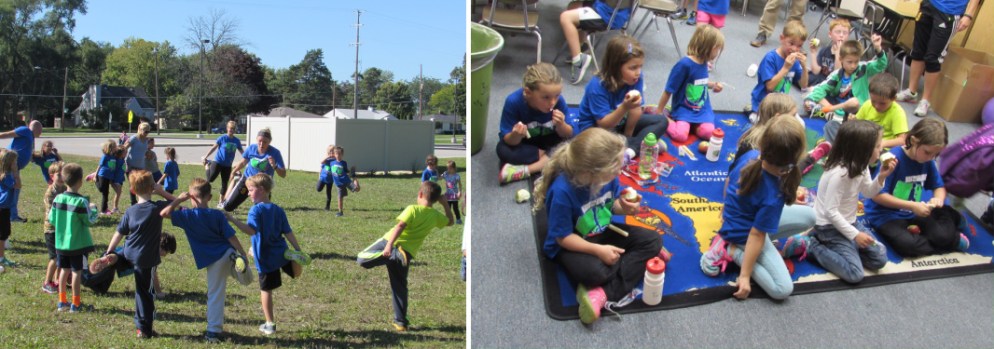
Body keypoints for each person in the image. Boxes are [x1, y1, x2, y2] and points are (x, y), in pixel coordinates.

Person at [532, 128, 662, 325]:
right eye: (614, 169)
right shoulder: (562, 192)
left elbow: (611, 208)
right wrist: (598, 250)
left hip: (599, 229)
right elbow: (562, 238)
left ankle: (602, 292)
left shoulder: (607, 179)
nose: (619, 172)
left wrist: (625, 208)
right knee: (598, 273)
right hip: (572, 242)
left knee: (654, 240)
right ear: (591, 173)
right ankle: (616, 276)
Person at [701, 114, 806, 300]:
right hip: (743, 234)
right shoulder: (774, 194)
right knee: (782, 289)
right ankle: (729, 250)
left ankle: (740, 242)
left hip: (742, 221)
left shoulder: (750, 156)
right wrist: (745, 276)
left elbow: (728, 182)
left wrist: (727, 210)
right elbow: (756, 235)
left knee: (810, 217)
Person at [783, 120, 892, 283]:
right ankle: (811, 245)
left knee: (880, 258)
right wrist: (855, 236)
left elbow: (868, 192)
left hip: (849, 221)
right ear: (863, 150)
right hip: (828, 226)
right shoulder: (839, 175)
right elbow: (830, 212)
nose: (881, 149)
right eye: (877, 146)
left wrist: (881, 177)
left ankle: (844, 248)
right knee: (855, 274)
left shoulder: (861, 165)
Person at [160, 178, 248, 343]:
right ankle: (242, 268)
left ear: (191, 197)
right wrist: (242, 253)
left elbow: (164, 213)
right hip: (227, 251)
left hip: (214, 260)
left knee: (215, 294)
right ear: (210, 197)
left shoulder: (187, 215)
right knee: (243, 276)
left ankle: (213, 333)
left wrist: (179, 199)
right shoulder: (217, 214)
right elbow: (231, 236)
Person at [357, 181, 454, 331]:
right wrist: (445, 204)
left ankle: (393, 255)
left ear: (420, 194)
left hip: (392, 246)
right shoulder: (435, 215)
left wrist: (389, 245)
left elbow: (400, 226)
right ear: (436, 200)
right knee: (399, 286)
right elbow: (450, 222)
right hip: (406, 254)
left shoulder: (412, 209)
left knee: (362, 258)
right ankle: (400, 322)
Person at [864, 118, 969, 257]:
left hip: (916, 211)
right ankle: (951, 240)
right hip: (885, 215)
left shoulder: (928, 161)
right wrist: (912, 206)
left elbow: (939, 187)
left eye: (935, 154)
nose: (931, 157)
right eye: (927, 152)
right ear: (913, 141)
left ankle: (948, 222)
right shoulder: (893, 159)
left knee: (941, 236)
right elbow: (877, 196)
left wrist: (937, 199)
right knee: (908, 246)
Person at [224, 173, 309, 335]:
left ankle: (269, 323)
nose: (247, 193)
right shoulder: (278, 209)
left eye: (250, 190)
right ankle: (295, 259)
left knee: (266, 290)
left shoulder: (256, 210)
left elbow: (251, 230)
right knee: (295, 274)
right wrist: (297, 249)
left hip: (265, 257)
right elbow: (288, 231)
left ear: (261, 190)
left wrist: (233, 220)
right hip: (282, 252)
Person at [102, 170, 177, 338]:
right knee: (145, 294)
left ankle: (115, 258)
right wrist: (162, 191)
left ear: (132, 190)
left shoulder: (130, 211)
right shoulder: (157, 208)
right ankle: (144, 329)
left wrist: (109, 250)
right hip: (146, 259)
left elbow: (119, 233)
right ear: (152, 188)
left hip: (128, 252)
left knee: (124, 258)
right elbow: (176, 204)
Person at [733, 94, 816, 238]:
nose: (798, 120)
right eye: (794, 115)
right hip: (750, 219)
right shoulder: (756, 152)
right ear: (778, 117)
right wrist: (784, 198)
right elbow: (756, 191)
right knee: (810, 216)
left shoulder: (758, 139)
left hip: (751, 209)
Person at [576, 35, 668, 154]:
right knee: (595, 147)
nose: (638, 72)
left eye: (640, 67)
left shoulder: (636, 79)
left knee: (661, 121)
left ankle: (630, 149)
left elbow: (636, 110)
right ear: (615, 67)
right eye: (633, 68)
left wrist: (627, 136)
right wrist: (624, 107)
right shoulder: (597, 86)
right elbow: (604, 125)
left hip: (620, 126)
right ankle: (641, 144)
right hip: (597, 129)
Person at [895, 0, 980, 117]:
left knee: (933, 58)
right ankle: (911, 91)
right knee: (917, 51)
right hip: (928, 5)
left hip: (950, 12)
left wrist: (968, 15)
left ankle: (925, 101)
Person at [496, 62, 573, 185]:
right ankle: (551, 161)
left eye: (557, 96)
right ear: (528, 92)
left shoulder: (559, 102)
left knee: (575, 141)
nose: (553, 102)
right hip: (527, 143)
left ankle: (526, 170)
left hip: (548, 140)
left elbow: (568, 133)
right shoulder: (513, 102)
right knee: (503, 150)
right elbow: (508, 140)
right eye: (546, 97)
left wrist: (561, 125)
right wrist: (516, 135)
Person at [805, 35, 888, 144]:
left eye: (856, 61)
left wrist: (877, 48)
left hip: (858, 110)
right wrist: (810, 100)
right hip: (839, 111)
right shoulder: (836, 75)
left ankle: (832, 119)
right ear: (841, 59)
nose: (853, 65)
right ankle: (833, 123)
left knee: (854, 103)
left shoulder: (863, 69)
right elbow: (819, 90)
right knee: (812, 94)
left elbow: (881, 64)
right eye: (850, 62)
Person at [658, 24, 725, 143]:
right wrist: (658, 111)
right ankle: (665, 116)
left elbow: (700, 83)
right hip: (684, 108)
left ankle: (692, 125)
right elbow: (669, 89)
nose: (718, 52)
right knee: (680, 136)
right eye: (717, 49)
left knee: (709, 133)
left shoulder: (704, 62)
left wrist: (714, 85)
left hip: (701, 109)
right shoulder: (684, 64)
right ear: (709, 47)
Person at [49, 163, 98, 312]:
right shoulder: (81, 201)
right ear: (80, 181)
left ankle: (62, 301)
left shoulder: (58, 199)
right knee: (76, 272)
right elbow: (90, 220)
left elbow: (52, 219)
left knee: (63, 270)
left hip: (61, 243)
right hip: (77, 244)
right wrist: (93, 209)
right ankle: (76, 303)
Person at [559, 0, 635, 84]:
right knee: (574, 6)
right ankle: (580, 46)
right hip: (614, 10)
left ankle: (579, 60)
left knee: (565, 17)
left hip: (608, 15)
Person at [749, 20, 808, 122]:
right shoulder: (770, 58)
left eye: (799, 46)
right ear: (782, 38)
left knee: (800, 125)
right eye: (791, 43)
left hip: (781, 104)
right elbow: (770, 86)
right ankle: (754, 112)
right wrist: (785, 68)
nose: (794, 49)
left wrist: (804, 67)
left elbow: (803, 86)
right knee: (767, 127)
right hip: (764, 103)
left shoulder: (795, 61)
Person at [85, 234, 176, 297]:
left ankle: (112, 258)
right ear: (162, 247)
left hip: (117, 260)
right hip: (117, 262)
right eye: (166, 252)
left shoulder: (147, 243)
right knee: (88, 280)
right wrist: (158, 292)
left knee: (101, 290)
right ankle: (76, 272)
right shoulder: (152, 255)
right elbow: (153, 274)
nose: (165, 255)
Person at [220, 128, 286, 212]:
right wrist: (233, 172)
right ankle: (237, 179)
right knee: (227, 207)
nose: (261, 144)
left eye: (265, 142)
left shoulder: (275, 153)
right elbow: (243, 163)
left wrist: (275, 166)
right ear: (256, 140)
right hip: (247, 180)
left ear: (269, 142)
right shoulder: (251, 148)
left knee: (263, 211)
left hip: (263, 186)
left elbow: (283, 174)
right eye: (259, 141)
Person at [0, 118, 42, 222]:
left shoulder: (31, 137)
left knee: (15, 189)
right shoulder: (25, 130)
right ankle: (11, 216)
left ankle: (12, 216)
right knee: (11, 189)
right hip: (9, 164)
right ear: (35, 128)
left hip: (15, 166)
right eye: (40, 129)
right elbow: (5, 135)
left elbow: (29, 153)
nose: (41, 132)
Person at [852, 73, 909, 150]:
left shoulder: (898, 113)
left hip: (883, 149)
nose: (877, 106)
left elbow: (902, 140)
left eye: (882, 103)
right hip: (865, 142)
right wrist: (852, 121)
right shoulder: (867, 104)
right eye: (873, 101)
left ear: (893, 99)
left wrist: (881, 143)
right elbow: (856, 124)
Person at [41, 162, 67, 293]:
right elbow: (53, 212)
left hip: (62, 227)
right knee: (54, 258)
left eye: (64, 173)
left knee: (61, 255)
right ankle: (47, 282)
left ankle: (58, 280)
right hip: (51, 228)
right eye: (59, 174)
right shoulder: (50, 192)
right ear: (52, 176)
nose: (62, 176)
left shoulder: (65, 189)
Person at [203, 121, 244, 198]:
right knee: (210, 179)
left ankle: (221, 201)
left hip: (228, 165)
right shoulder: (222, 138)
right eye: (230, 128)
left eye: (233, 129)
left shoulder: (237, 141)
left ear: (234, 130)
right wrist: (206, 156)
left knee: (225, 183)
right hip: (218, 162)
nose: (231, 130)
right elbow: (214, 148)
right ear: (227, 128)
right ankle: (207, 165)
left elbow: (242, 152)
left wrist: (248, 158)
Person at [807, 19, 852, 87]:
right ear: (830, 34)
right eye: (838, 32)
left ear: (848, 36)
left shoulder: (848, 56)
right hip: (821, 78)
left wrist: (838, 54)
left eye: (845, 33)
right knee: (805, 76)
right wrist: (813, 53)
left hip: (834, 83)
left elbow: (838, 75)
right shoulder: (825, 50)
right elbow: (816, 71)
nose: (841, 35)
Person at [120, 122, 151, 205]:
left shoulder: (146, 140)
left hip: (141, 166)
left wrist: (148, 154)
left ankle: (141, 202)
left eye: (148, 132)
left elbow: (144, 151)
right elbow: (124, 148)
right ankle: (133, 203)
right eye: (145, 132)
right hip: (131, 165)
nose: (147, 134)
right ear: (140, 130)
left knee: (140, 185)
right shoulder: (134, 138)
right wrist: (121, 158)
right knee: (133, 185)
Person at [0, 150, 19, 267]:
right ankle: (1, 258)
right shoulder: (7, 175)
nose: (16, 163)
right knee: (3, 234)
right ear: (9, 163)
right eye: (15, 161)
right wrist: (16, 173)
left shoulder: (5, 174)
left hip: (4, 207)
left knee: (4, 233)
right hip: (2, 208)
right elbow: (18, 185)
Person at [329, 146, 359, 217]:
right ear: (334, 154)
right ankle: (340, 212)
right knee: (340, 197)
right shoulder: (331, 163)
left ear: (342, 155)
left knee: (357, 189)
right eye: (336, 154)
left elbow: (346, 171)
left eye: (340, 154)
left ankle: (354, 177)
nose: (338, 156)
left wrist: (351, 172)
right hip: (339, 184)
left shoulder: (344, 163)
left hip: (346, 181)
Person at [93, 140, 118, 214]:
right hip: (102, 175)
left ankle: (103, 210)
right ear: (110, 148)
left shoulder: (113, 156)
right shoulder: (105, 156)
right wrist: (95, 175)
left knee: (106, 193)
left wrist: (111, 178)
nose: (115, 148)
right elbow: (100, 165)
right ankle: (94, 179)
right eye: (114, 147)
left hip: (108, 177)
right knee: (101, 189)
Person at [442, 160, 463, 225]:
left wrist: (459, 192)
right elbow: (440, 177)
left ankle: (458, 219)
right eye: (447, 168)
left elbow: (460, 185)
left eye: (449, 168)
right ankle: (447, 220)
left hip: (454, 195)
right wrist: (436, 176)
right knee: (448, 208)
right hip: (448, 195)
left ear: (453, 168)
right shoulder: (446, 174)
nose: (447, 169)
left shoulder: (457, 176)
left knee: (455, 208)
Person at [317, 145, 337, 211]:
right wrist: (319, 176)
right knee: (318, 189)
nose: (332, 153)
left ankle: (327, 207)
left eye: (333, 152)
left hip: (330, 180)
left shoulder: (335, 161)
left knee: (328, 193)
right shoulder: (326, 160)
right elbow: (321, 163)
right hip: (322, 178)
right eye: (330, 152)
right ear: (328, 152)